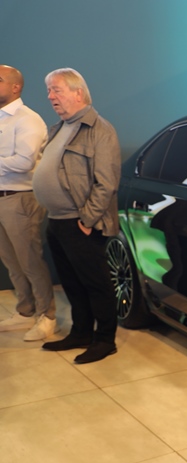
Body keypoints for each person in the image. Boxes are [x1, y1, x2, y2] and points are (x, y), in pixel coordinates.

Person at [32, 68, 120, 364]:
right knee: (71, 282)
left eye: (56, 89)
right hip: (57, 220)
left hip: (80, 222)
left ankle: (105, 340)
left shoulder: (99, 129)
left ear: (77, 92)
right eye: (48, 90)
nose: (50, 96)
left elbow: (106, 182)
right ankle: (81, 332)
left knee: (96, 283)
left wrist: (87, 220)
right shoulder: (60, 128)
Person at [0, 65, 57, 341]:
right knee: (11, 261)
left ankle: (47, 316)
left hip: (19, 199)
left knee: (30, 261)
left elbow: (23, 162)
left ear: (16, 87)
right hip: (2, 197)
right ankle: (25, 310)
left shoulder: (28, 119)